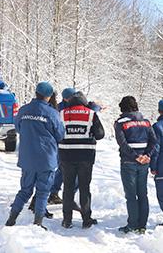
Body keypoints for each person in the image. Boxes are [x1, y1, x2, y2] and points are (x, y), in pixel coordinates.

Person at [5, 82, 65, 230]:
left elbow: (18, 128)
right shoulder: (52, 113)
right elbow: (60, 135)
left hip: (27, 158)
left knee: (25, 190)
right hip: (46, 159)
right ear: (49, 96)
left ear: (36, 92)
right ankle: (38, 223)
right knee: (43, 191)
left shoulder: (24, 110)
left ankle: (11, 219)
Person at [58, 91, 105, 229]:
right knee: (85, 188)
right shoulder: (91, 114)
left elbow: (56, 132)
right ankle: (86, 219)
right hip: (86, 156)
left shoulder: (61, 114)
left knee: (68, 187)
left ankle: (67, 220)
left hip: (66, 156)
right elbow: (100, 134)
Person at [114, 96, 157, 234]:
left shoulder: (120, 122)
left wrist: (135, 156)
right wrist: (147, 155)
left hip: (129, 162)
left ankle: (132, 224)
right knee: (143, 194)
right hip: (144, 163)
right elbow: (153, 141)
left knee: (131, 195)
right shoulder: (146, 122)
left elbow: (122, 143)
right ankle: (142, 225)